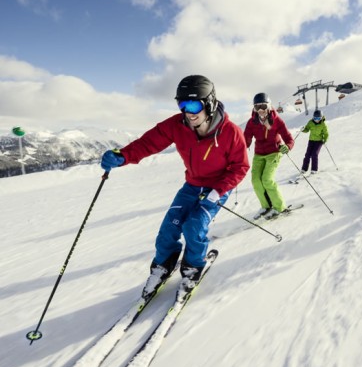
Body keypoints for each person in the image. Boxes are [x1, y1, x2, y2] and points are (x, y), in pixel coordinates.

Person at [100, 75, 249, 297]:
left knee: (194, 227)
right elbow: (147, 143)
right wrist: (123, 157)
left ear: (209, 102)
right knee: (169, 228)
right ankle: (162, 266)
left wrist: (218, 191)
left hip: (216, 189)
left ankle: (192, 267)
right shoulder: (177, 125)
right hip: (191, 186)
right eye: (182, 104)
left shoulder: (230, 132)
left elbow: (241, 166)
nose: (188, 112)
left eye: (193, 104)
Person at [244, 92, 294, 220]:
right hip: (259, 154)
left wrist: (287, 146)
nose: (261, 110)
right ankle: (266, 206)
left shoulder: (277, 121)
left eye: (263, 106)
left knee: (267, 179)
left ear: (269, 106)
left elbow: (289, 138)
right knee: (256, 181)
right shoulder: (252, 122)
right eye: (257, 107)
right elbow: (246, 139)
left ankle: (279, 207)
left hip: (273, 153)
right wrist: (241, 146)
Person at [300, 109, 329, 173]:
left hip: (319, 141)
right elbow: (307, 129)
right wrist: (303, 129)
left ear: (321, 118)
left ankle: (314, 169)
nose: (316, 120)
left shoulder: (323, 124)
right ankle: (304, 169)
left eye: (318, 118)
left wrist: (325, 139)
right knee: (307, 154)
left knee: (314, 154)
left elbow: (326, 133)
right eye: (315, 118)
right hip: (311, 141)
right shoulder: (310, 122)